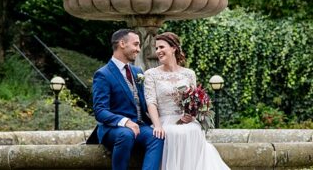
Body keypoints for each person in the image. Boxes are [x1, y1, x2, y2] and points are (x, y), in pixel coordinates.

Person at [144, 32, 229, 170]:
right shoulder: (151, 74)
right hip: (164, 120)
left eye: (161, 47)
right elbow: (151, 101)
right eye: (156, 48)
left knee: (194, 129)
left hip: (186, 120)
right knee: (172, 133)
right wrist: (157, 125)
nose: (158, 51)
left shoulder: (189, 74)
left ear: (173, 48)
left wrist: (192, 115)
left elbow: (195, 100)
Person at [90, 28, 163, 170]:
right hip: (114, 129)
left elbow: (145, 101)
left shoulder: (138, 72)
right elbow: (100, 111)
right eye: (135, 44)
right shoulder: (103, 74)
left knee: (157, 136)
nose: (138, 49)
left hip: (140, 126)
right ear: (122, 43)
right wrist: (125, 122)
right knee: (126, 134)